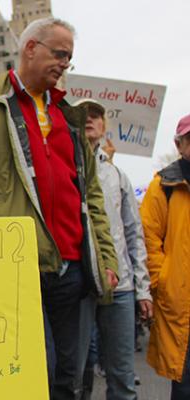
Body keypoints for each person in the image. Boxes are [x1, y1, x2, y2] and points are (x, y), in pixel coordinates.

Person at [0, 17, 118, 399]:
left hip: (71, 267)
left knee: (71, 377)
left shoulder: (69, 116)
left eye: (69, 58)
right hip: (14, 265)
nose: (64, 64)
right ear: (30, 48)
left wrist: (106, 257)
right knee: (33, 373)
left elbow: (91, 195)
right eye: (59, 53)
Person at [76, 98, 152, 400]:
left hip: (118, 286)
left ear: (105, 126)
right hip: (78, 286)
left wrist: (142, 289)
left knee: (121, 378)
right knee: (75, 377)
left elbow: (134, 235)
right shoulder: (66, 168)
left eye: (96, 115)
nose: (90, 119)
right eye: (84, 115)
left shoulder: (117, 176)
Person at [140, 113, 190, 400]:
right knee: (183, 382)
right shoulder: (162, 186)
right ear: (179, 144)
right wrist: (162, 280)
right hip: (180, 300)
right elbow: (148, 237)